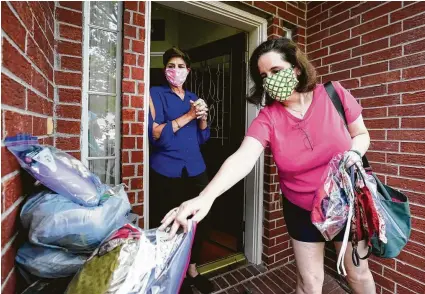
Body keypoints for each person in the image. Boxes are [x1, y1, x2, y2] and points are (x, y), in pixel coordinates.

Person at [160, 38, 376, 294]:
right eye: (263, 76)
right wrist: (205, 198)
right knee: (309, 283)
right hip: (301, 208)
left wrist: (354, 152)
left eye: (275, 71)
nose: (270, 80)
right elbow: (243, 157)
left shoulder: (334, 94)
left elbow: (361, 134)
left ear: (296, 67)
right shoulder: (269, 117)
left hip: (345, 201)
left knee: (358, 274)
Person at [148, 47, 214, 294]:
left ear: (188, 70)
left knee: (201, 222)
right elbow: (156, 136)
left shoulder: (193, 97)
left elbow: (202, 138)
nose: (176, 70)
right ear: (165, 70)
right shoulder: (156, 94)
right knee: (170, 225)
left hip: (196, 168)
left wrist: (203, 118)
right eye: (171, 66)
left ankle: (192, 269)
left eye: (181, 66)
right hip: (167, 171)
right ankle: (172, 277)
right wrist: (188, 115)